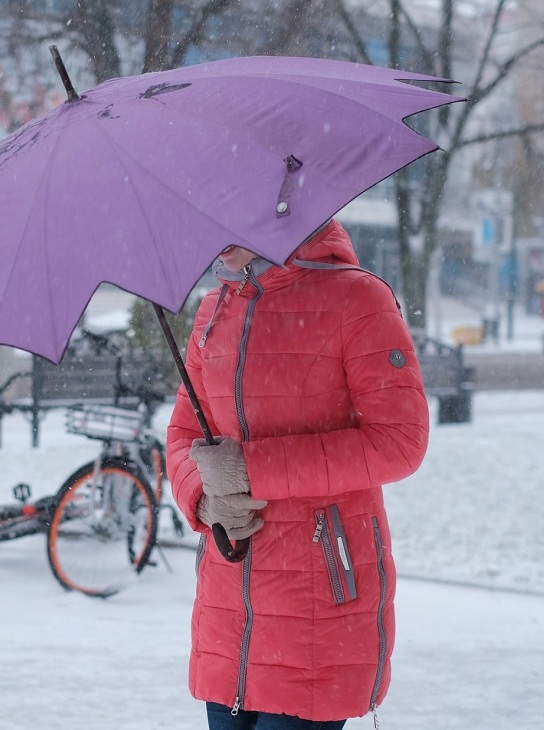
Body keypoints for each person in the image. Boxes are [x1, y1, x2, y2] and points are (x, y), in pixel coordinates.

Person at [166, 218, 430, 729]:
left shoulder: (357, 299)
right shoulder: (213, 310)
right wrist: (201, 497)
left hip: (320, 605)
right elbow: (181, 434)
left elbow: (399, 441)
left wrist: (251, 470)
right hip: (228, 609)